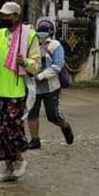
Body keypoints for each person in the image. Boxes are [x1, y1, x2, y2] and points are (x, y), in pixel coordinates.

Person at [0, 2, 42, 182]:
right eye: (2, 15)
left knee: (13, 129)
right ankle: (7, 167)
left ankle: (19, 160)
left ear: (16, 16)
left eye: (7, 15)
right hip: (0, 90)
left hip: (18, 91)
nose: (4, 18)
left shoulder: (29, 36)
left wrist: (24, 61)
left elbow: (36, 65)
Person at [25, 18, 74, 149]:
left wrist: (41, 76)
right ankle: (35, 139)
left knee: (52, 115)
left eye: (44, 31)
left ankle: (65, 126)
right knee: (32, 112)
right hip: (33, 86)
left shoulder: (55, 45)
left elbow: (57, 66)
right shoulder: (31, 44)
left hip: (51, 86)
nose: (41, 33)